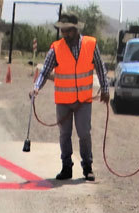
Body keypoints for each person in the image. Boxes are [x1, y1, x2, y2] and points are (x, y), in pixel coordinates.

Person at [31, 13, 110, 182]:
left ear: (76, 29)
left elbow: (101, 68)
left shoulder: (90, 45)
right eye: (62, 31)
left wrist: (105, 89)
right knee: (64, 134)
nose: (64, 34)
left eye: (68, 31)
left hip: (83, 101)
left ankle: (87, 167)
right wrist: (36, 88)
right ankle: (66, 167)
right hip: (63, 101)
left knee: (84, 133)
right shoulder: (56, 48)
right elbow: (45, 71)